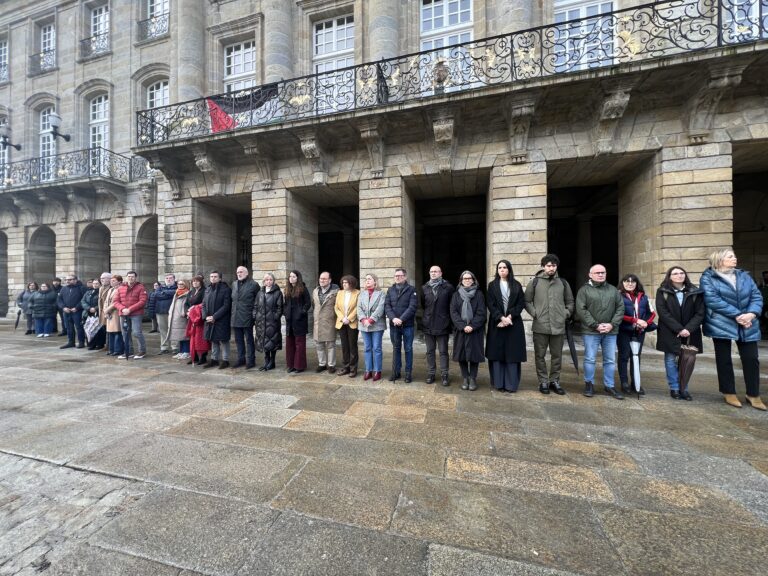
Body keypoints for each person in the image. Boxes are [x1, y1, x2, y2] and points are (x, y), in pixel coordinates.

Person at [700, 248, 764, 410]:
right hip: (721, 322)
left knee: (751, 359)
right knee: (724, 359)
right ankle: (729, 392)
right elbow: (712, 300)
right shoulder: (708, 277)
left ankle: (753, 394)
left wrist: (751, 314)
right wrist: (738, 315)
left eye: (734, 256)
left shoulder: (744, 275)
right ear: (719, 260)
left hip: (748, 322)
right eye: (730, 256)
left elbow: (756, 296)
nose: (734, 259)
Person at [524, 254, 574, 395]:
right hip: (540, 325)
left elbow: (570, 302)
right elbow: (527, 301)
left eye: (553, 265)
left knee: (556, 355)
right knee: (540, 356)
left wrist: (566, 313)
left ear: (556, 266)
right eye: (548, 265)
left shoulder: (563, 283)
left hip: (558, 325)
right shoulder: (535, 282)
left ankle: (555, 381)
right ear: (543, 266)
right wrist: (535, 313)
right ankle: (543, 381)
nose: (551, 268)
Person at [576, 264, 624, 400]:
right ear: (590, 275)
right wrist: (595, 325)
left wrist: (611, 325)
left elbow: (620, 308)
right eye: (597, 272)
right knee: (590, 358)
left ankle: (609, 385)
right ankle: (589, 384)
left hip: (610, 331)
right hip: (591, 331)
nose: (601, 274)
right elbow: (581, 309)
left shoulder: (613, 290)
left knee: (609, 360)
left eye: (603, 272)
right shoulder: (584, 290)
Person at [655, 266, 705, 400]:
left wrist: (688, 329)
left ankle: (684, 388)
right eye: (675, 273)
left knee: (687, 360)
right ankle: (674, 388)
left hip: (690, 332)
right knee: (671, 360)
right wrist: (679, 329)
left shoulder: (695, 291)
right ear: (669, 276)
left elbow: (700, 313)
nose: (679, 275)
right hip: (670, 331)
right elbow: (663, 313)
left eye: (682, 273)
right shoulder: (662, 291)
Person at [486, 259, 527, 393]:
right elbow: (490, 304)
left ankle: (511, 385)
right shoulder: (492, 285)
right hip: (497, 324)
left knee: (512, 354)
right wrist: (501, 317)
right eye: (499, 268)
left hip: (513, 324)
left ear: (509, 269)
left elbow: (521, 303)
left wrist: (509, 317)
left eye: (504, 267)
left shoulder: (516, 285)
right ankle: (499, 384)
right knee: (497, 354)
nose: (502, 270)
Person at [617, 274, 656, 396]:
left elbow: (652, 313)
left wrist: (645, 323)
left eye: (632, 282)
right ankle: (624, 382)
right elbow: (617, 314)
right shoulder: (618, 296)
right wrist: (634, 321)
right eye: (627, 281)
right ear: (622, 283)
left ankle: (636, 382)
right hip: (624, 330)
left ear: (636, 283)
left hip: (639, 331)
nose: (630, 283)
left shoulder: (643, 297)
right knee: (624, 356)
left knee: (636, 356)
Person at [450, 270, 486, 391]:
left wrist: (472, 325)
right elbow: (453, 312)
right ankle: (465, 378)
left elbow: (481, 312)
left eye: (469, 278)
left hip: (475, 330)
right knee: (462, 355)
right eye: (465, 279)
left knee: (474, 355)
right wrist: (462, 326)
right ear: (461, 281)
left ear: (473, 280)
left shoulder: (479, 294)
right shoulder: (456, 295)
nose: (467, 280)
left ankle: (473, 378)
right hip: (461, 330)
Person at [421, 265, 454, 386]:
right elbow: (424, 304)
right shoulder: (424, 288)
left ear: (441, 273)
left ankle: (444, 374)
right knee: (430, 351)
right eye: (431, 272)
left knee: (443, 351)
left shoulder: (448, 287)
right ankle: (431, 373)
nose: (433, 273)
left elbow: (452, 305)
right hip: (428, 323)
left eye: (436, 271)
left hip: (443, 324)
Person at [385, 268, 418, 383]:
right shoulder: (390, 290)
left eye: (400, 275)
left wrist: (401, 319)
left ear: (405, 277)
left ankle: (408, 373)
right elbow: (387, 306)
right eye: (396, 276)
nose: (397, 277)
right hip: (394, 325)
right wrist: (393, 318)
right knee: (396, 348)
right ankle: (396, 372)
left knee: (408, 349)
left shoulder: (411, 290)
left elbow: (412, 307)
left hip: (407, 325)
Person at [113, 271, 148, 359]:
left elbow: (142, 301)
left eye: (132, 276)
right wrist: (123, 309)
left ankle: (142, 351)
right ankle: (129, 351)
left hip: (136, 314)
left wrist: (130, 309)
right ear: (126, 277)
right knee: (125, 333)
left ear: (135, 278)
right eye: (129, 276)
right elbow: (115, 301)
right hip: (123, 313)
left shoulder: (140, 287)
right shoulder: (120, 288)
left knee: (137, 332)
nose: (130, 278)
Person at [230, 266, 260, 369]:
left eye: (241, 272)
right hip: (235, 316)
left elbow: (258, 302)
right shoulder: (234, 284)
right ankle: (241, 359)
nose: (239, 273)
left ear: (247, 273)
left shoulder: (254, 285)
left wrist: (254, 315)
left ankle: (251, 361)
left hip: (247, 316)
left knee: (249, 340)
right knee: (238, 340)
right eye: (238, 272)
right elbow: (233, 300)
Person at [358, 273, 386, 381]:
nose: (367, 281)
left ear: (375, 281)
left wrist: (371, 319)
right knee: (367, 348)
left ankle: (377, 370)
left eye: (369, 279)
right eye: (366, 279)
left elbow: (380, 308)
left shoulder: (381, 294)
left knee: (377, 348)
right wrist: (363, 319)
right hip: (364, 325)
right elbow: (359, 308)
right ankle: (368, 370)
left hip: (377, 325)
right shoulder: (362, 294)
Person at [202, 270, 232, 369]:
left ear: (220, 278)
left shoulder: (226, 289)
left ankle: (225, 360)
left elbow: (226, 305)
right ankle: (214, 359)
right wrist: (206, 316)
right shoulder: (208, 289)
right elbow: (204, 304)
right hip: (210, 319)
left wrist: (215, 316)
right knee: (213, 339)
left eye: (215, 276)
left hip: (221, 319)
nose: (213, 278)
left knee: (223, 340)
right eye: (211, 276)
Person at [284, 270, 311, 374]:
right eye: (290, 276)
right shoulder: (287, 289)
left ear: (298, 278)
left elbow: (307, 303)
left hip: (299, 321)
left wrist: (301, 312)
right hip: (289, 321)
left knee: (299, 344)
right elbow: (285, 304)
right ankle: (291, 365)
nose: (291, 278)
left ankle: (299, 365)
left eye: (293, 276)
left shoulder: (303, 289)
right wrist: (285, 313)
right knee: (290, 343)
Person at [254, 272, 283, 371]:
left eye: (270, 279)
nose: (268, 281)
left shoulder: (277, 292)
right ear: (264, 281)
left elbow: (280, 307)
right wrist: (255, 315)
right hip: (261, 322)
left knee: (273, 342)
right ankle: (266, 361)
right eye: (266, 280)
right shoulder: (260, 292)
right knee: (264, 342)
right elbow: (256, 306)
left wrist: (275, 317)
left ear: (273, 281)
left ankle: (272, 362)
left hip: (272, 322)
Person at [312, 271, 339, 373]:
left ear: (330, 280)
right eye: (320, 278)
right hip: (318, 322)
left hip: (329, 321)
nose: (322, 280)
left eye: (324, 279)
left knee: (331, 344)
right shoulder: (315, 291)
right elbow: (314, 304)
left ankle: (331, 365)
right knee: (319, 344)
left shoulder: (335, 292)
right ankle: (322, 364)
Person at [335, 275, 360, 377]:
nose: (344, 284)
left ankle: (353, 368)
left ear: (352, 283)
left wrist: (349, 318)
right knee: (344, 346)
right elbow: (336, 307)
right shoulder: (340, 293)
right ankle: (346, 367)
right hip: (341, 322)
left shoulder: (357, 293)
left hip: (352, 323)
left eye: (346, 283)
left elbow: (358, 307)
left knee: (352, 346)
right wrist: (342, 318)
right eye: (343, 283)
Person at [58, 275, 86, 349]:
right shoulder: (63, 289)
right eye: (66, 280)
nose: (68, 281)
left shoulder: (81, 288)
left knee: (79, 327)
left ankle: (81, 342)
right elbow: (59, 300)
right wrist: (63, 307)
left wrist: (77, 307)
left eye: (70, 279)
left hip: (77, 311)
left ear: (75, 280)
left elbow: (84, 299)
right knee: (69, 327)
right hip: (66, 311)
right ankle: (71, 342)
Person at [167, 279, 191, 360]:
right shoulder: (177, 292)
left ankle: (186, 352)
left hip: (182, 318)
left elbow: (187, 305)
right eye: (179, 284)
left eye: (182, 284)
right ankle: (181, 351)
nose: (180, 285)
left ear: (186, 285)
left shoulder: (187, 293)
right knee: (179, 336)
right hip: (175, 317)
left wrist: (184, 313)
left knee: (185, 336)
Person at [155, 273, 178, 355]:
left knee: (173, 329)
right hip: (160, 312)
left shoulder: (177, 287)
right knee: (163, 330)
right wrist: (169, 294)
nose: (168, 279)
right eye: (167, 278)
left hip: (173, 312)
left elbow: (175, 293)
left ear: (174, 279)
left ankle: (175, 347)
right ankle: (164, 347)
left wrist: (164, 293)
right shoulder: (160, 288)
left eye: (170, 278)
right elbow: (156, 295)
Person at [80, 278, 105, 350]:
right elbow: (83, 301)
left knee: (98, 330)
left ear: (100, 284)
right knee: (88, 329)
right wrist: (88, 308)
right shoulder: (88, 292)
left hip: (97, 313)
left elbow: (103, 302)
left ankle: (99, 344)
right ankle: (91, 344)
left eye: (97, 283)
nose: (95, 285)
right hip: (87, 313)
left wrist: (95, 308)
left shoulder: (101, 292)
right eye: (94, 283)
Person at [104, 275, 124, 357]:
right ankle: (111, 349)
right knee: (110, 332)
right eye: (111, 280)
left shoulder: (120, 289)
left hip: (115, 313)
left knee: (117, 332)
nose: (111, 282)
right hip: (108, 313)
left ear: (119, 282)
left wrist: (107, 310)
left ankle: (117, 350)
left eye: (114, 281)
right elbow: (106, 301)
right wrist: (105, 311)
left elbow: (115, 302)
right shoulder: (110, 290)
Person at [96, 272, 113, 352]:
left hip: (110, 311)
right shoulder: (101, 288)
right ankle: (106, 345)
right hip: (102, 311)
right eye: (101, 278)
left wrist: (107, 311)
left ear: (109, 279)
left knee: (110, 329)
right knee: (104, 328)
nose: (101, 280)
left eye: (103, 278)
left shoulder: (111, 288)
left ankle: (109, 345)